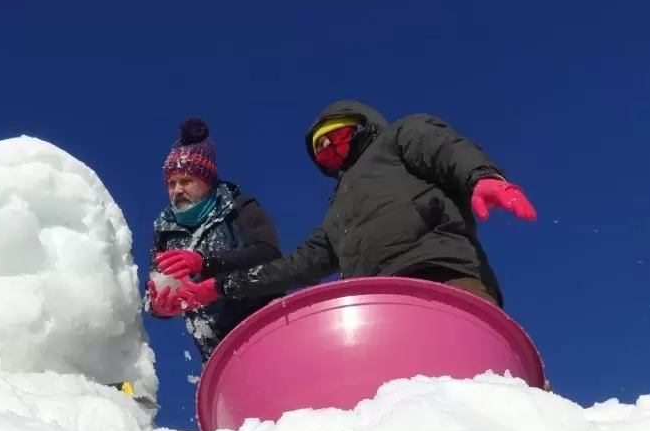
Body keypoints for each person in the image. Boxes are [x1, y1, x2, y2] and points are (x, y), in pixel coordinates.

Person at [172, 100, 537, 311]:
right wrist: (218, 288)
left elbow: (444, 149)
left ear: (365, 129)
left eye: (339, 139)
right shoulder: (337, 216)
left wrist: (483, 177)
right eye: (322, 150)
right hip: (376, 305)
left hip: (441, 276)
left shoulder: (398, 138)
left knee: (481, 383)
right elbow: (293, 267)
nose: (331, 152)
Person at [143, 118, 283, 362]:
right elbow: (154, 285)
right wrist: (159, 307)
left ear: (207, 181)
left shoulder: (239, 207)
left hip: (268, 330)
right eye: (171, 183)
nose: (177, 190)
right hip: (217, 354)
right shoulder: (164, 231)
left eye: (186, 181)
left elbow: (267, 253)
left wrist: (205, 261)